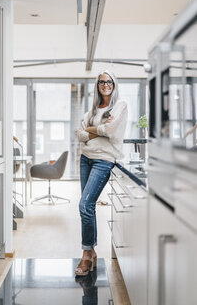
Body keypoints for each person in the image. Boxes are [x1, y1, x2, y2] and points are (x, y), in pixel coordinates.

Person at [75, 70, 128, 276]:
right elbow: (79, 134)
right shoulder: (93, 109)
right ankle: (92, 251)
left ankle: (86, 254)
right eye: (101, 82)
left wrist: (90, 130)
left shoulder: (121, 105)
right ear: (97, 86)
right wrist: (97, 129)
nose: (105, 84)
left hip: (104, 161)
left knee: (84, 204)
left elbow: (110, 130)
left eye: (109, 81)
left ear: (114, 84)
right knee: (88, 206)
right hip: (85, 159)